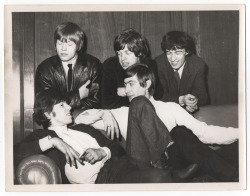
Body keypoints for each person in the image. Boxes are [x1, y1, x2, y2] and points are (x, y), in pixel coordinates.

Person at [75, 63, 239, 181]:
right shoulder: (123, 112)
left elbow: (205, 133)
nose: (127, 91)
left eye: (131, 84)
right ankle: (226, 173)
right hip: (141, 164)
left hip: (174, 163)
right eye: (125, 86)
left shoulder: (170, 108)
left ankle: (229, 174)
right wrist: (103, 113)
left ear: (147, 83)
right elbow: (79, 119)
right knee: (139, 104)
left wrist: (242, 132)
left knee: (179, 132)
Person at [14, 89, 198, 184]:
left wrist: (103, 151)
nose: (70, 107)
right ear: (47, 114)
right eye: (62, 105)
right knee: (155, 180)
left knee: (139, 102)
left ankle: (164, 166)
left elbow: (117, 147)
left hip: (124, 161)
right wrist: (52, 141)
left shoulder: (83, 128)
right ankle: (171, 175)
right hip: (103, 177)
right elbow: (12, 155)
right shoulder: (42, 135)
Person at [35, 22, 101, 110]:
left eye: (69, 44)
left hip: (86, 119)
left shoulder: (92, 65)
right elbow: (45, 105)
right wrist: (78, 95)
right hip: (56, 121)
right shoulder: (45, 69)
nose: (63, 49)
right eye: (59, 43)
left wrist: (63, 103)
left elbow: (97, 102)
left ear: (79, 46)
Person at [101, 28, 158, 109]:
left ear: (139, 52)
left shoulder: (149, 65)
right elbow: (108, 103)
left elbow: (155, 96)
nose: (122, 58)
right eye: (119, 54)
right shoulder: (110, 65)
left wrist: (125, 91)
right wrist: (137, 91)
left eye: (127, 53)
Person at [154, 31, 209, 113]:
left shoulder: (198, 65)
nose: (173, 59)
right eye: (169, 53)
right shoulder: (157, 65)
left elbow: (202, 96)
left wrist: (193, 103)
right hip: (165, 113)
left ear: (186, 52)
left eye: (177, 53)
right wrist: (182, 100)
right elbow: (158, 96)